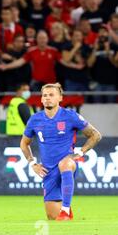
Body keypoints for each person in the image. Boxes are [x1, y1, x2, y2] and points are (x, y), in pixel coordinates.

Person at [20, 83, 102, 221]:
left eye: (51, 95)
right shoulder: (35, 119)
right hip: (48, 171)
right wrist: (33, 163)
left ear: (60, 98)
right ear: (41, 99)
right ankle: (65, 210)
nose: (47, 98)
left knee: (64, 163)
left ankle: (65, 209)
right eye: (44, 95)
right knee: (53, 217)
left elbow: (95, 135)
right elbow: (24, 143)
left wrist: (81, 153)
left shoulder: (70, 116)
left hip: (68, 164)